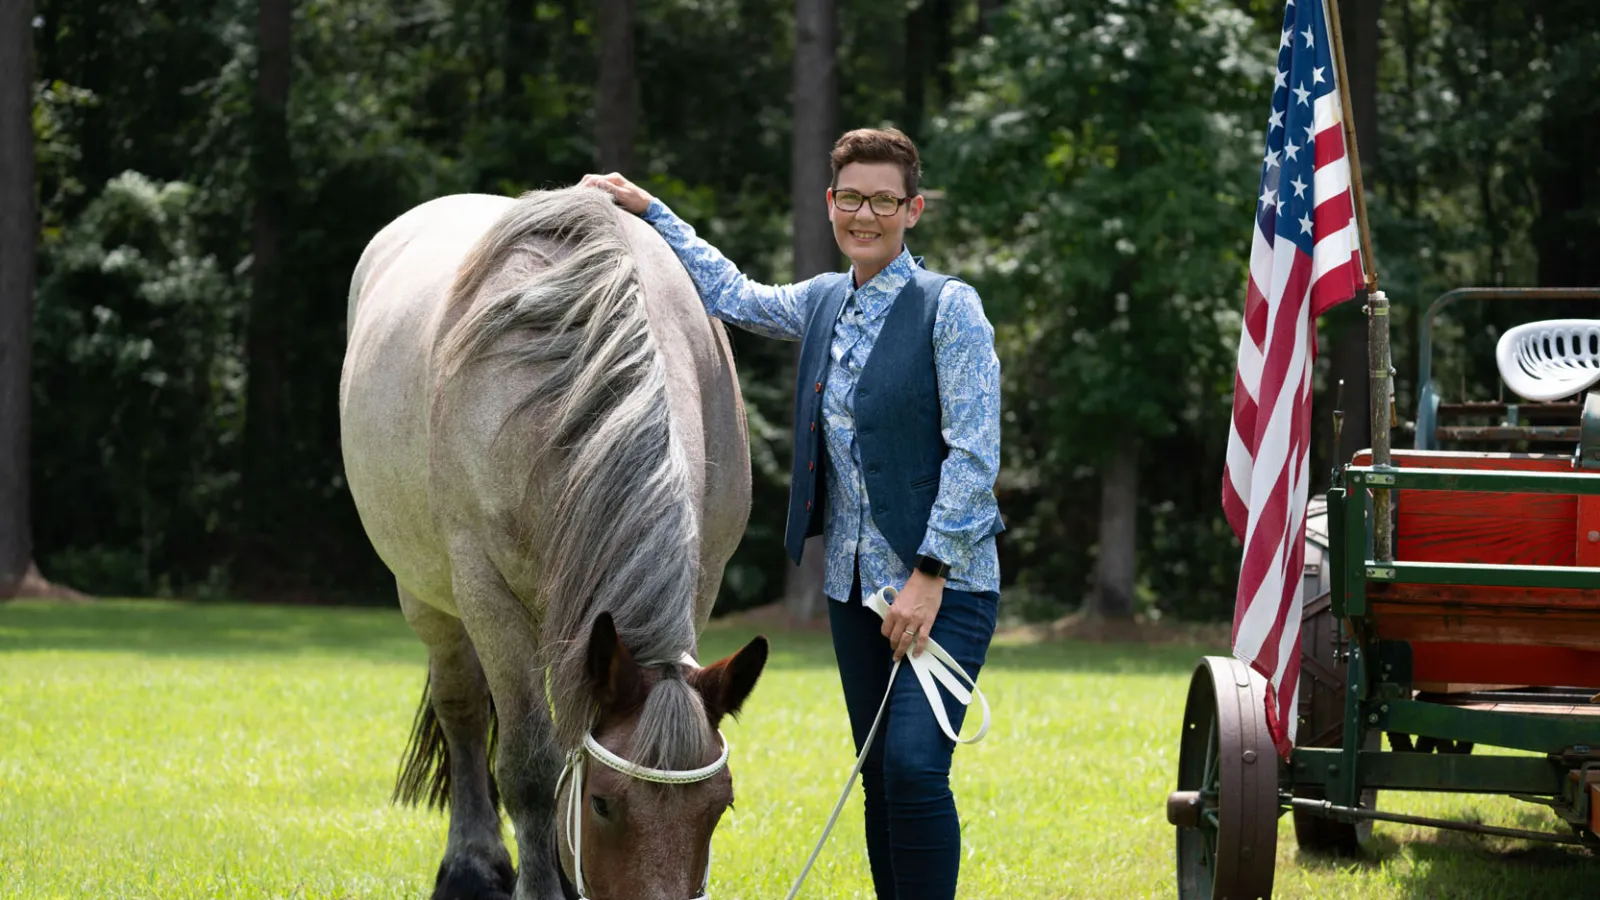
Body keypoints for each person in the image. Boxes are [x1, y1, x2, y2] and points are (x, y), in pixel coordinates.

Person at [581, 126, 1003, 900]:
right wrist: (653, 214)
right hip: (851, 591)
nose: (864, 214)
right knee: (878, 776)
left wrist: (929, 576)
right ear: (829, 203)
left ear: (912, 210)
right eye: (851, 198)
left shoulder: (951, 310)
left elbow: (975, 455)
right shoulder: (821, 303)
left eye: (883, 200)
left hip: (945, 590)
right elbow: (735, 295)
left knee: (913, 767)